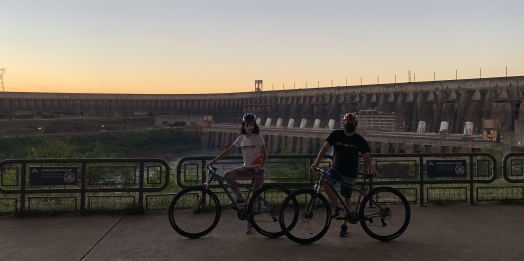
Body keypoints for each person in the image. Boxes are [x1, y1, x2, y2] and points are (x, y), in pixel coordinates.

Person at [310, 112, 379, 237]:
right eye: (347, 122)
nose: (349, 124)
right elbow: (324, 148)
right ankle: (338, 207)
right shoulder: (336, 134)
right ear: (344, 123)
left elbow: (366, 156)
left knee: (346, 198)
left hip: (350, 172)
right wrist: (316, 163)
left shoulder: (359, 139)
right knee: (325, 180)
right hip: (336, 168)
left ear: (355, 124)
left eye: (351, 122)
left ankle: (344, 225)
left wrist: (372, 169)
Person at [207, 112, 267, 234]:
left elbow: (265, 154)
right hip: (246, 169)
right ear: (243, 124)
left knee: (253, 198)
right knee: (228, 175)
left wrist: (261, 167)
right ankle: (240, 198)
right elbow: (228, 151)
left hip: (257, 172)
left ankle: (251, 224)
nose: (248, 125)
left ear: (254, 124)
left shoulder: (258, 137)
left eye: (250, 123)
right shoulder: (241, 138)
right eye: (246, 123)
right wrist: (213, 161)